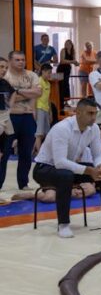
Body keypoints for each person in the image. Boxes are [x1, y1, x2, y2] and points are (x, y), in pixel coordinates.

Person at [32, 98, 101, 238]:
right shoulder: (62, 128)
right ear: (78, 112)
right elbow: (60, 162)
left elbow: (98, 154)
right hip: (44, 169)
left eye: (95, 114)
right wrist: (90, 171)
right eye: (89, 113)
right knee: (65, 175)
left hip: (68, 168)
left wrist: (99, 167)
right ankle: (63, 224)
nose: (93, 117)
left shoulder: (94, 128)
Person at [1, 51, 41, 191]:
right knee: (4, 152)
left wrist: (16, 92)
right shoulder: (5, 76)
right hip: (9, 117)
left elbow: (38, 93)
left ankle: (23, 183)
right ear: (10, 61)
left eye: (23, 60)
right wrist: (27, 92)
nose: (21, 62)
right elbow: (4, 100)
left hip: (27, 117)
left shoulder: (31, 75)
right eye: (17, 60)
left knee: (26, 152)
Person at [0, 57, 18, 176]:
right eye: (1, 67)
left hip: (5, 115)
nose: (4, 70)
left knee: (5, 152)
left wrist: (10, 107)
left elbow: (14, 93)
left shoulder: (5, 83)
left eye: (6, 68)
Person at [33, 64, 53, 155]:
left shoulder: (48, 83)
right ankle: (40, 153)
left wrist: (50, 112)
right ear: (43, 72)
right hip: (39, 108)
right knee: (39, 133)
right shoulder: (38, 81)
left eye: (50, 73)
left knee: (47, 133)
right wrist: (34, 111)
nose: (50, 75)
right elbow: (34, 97)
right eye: (49, 73)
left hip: (46, 109)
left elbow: (48, 99)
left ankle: (35, 149)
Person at [58, 39, 77, 105]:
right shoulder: (63, 50)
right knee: (61, 84)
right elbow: (62, 61)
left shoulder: (73, 51)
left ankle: (66, 101)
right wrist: (72, 62)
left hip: (67, 69)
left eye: (68, 44)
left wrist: (76, 63)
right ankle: (61, 101)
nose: (67, 45)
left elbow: (74, 61)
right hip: (61, 69)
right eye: (66, 44)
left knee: (66, 84)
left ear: (71, 45)